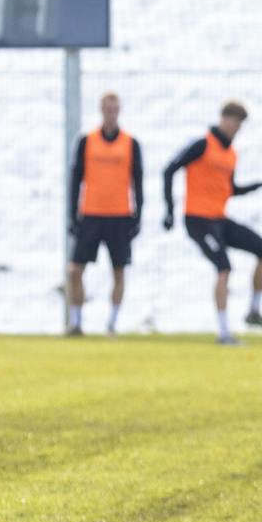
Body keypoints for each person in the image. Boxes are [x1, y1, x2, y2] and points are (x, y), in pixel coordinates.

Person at [161, 101, 262, 344]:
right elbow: (170, 169)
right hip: (197, 220)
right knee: (224, 268)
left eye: (240, 124)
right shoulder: (203, 144)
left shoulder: (231, 154)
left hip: (219, 219)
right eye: (234, 121)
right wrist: (170, 210)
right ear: (224, 119)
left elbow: (230, 189)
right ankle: (224, 332)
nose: (236, 127)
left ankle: (254, 311)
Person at [66, 91, 144, 337]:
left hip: (120, 215)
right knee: (75, 270)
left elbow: (138, 181)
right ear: (101, 110)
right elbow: (75, 179)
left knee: (119, 271)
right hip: (91, 214)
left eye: (115, 108)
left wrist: (137, 215)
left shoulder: (130, 143)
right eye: (107, 108)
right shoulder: (86, 141)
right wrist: (73, 215)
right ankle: (76, 322)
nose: (111, 112)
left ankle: (112, 323)